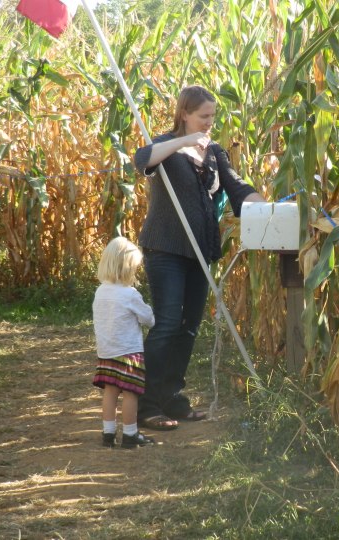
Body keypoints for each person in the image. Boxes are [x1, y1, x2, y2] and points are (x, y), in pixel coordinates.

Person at [133, 85, 265, 430]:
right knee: (166, 326)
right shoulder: (165, 144)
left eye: (212, 116)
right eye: (203, 116)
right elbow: (141, 160)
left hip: (200, 251)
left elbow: (236, 187)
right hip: (166, 249)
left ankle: (173, 398)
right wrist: (182, 142)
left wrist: (264, 206)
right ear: (184, 115)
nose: (209, 122)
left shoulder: (215, 152)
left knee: (188, 328)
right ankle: (146, 406)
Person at [92, 237, 156, 448]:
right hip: (129, 353)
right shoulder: (129, 294)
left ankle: (108, 434)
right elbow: (149, 319)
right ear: (127, 267)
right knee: (131, 394)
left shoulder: (100, 292)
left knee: (110, 392)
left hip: (107, 351)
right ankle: (130, 435)